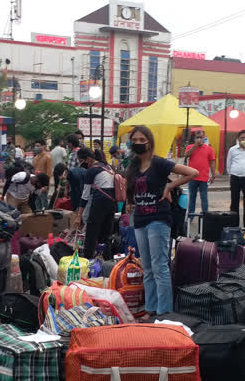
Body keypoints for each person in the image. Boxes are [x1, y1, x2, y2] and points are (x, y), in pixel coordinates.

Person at [125, 126, 197, 319]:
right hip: (140, 219)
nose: (138, 143)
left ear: (149, 142)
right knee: (147, 267)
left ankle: (164, 312)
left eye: (142, 140)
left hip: (158, 219)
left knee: (160, 267)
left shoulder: (159, 163)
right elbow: (130, 188)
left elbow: (192, 172)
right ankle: (150, 309)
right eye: (135, 140)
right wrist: (130, 202)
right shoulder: (132, 165)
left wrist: (170, 185)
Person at [73, 148, 115, 258]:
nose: (81, 164)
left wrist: (79, 216)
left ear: (88, 159)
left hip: (99, 203)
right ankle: (106, 260)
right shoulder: (108, 167)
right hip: (112, 203)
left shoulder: (92, 171)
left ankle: (88, 260)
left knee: (91, 235)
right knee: (105, 235)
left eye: (81, 161)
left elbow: (85, 196)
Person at [184, 130, 217, 216]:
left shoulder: (209, 149)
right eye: (197, 137)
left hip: (204, 177)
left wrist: (213, 175)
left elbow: (212, 162)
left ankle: (205, 216)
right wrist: (195, 146)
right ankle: (190, 216)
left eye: (201, 137)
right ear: (194, 138)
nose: (199, 139)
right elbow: (186, 155)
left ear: (204, 138)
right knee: (192, 198)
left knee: (204, 198)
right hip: (192, 177)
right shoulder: (190, 147)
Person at [226, 129, 245, 229]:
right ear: (238, 138)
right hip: (235, 178)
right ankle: (234, 227)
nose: (244, 140)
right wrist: (232, 173)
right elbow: (228, 164)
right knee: (234, 203)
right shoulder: (232, 150)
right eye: (242, 138)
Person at [32, 140, 53, 209]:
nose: (36, 147)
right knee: (36, 203)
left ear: (43, 146)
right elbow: (33, 171)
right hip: (36, 184)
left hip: (43, 184)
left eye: (38, 146)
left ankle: (46, 218)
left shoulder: (47, 157)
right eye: (35, 146)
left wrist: (46, 185)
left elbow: (49, 172)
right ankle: (39, 219)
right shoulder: (35, 158)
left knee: (44, 203)